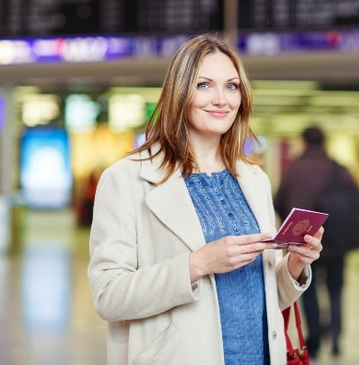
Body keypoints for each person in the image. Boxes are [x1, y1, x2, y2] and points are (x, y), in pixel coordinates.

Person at [87, 33, 323, 365]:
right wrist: (198, 264)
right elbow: (107, 295)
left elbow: (267, 298)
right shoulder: (127, 180)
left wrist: (296, 265)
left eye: (231, 86)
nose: (221, 99)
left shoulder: (253, 179)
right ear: (179, 93)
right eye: (203, 85)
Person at [274, 126, 359, 359]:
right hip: (338, 242)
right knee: (336, 290)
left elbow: (280, 202)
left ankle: (313, 341)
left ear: (304, 142)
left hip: (305, 241)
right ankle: (335, 336)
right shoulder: (339, 169)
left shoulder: (294, 170)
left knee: (309, 290)